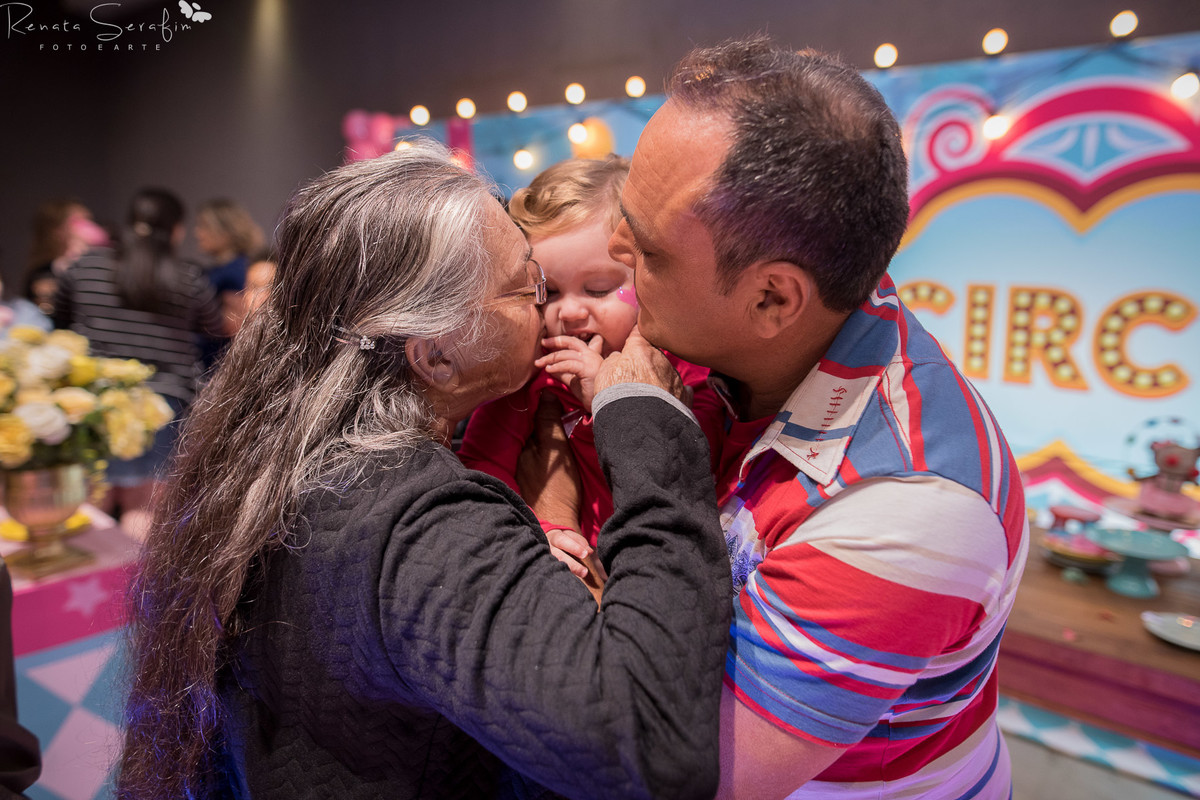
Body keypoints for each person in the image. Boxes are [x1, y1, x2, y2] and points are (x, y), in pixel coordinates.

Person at [117, 144, 731, 800]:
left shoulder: (302, 460)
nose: (551, 310)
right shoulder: (421, 525)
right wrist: (643, 415)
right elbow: (654, 749)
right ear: (436, 354)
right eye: (529, 288)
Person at [599, 37, 1029, 798]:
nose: (613, 247)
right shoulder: (758, 340)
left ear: (773, 299)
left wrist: (635, 426)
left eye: (652, 251)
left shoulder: (911, 513)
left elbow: (692, 773)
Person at [458, 156, 709, 594]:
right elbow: (482, 470)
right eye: (547, 291)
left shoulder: (678, 365)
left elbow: (706, 462)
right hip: (578, 580)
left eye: (598, 289)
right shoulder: (527, 382)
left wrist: (615, 401)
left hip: (669, 572)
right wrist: (544, 528)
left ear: (648, 277)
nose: (570, 311)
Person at [54, 188, 223, 539]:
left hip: (93, 401)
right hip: (163, 405)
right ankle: (126, 594)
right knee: (144, 511)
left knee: (89, 504)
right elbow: (213, 326)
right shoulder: (187, 277)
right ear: (175, 229)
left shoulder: (86, 266)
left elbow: (59, 321)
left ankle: (85, 591)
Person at [193, 197, 265, 367]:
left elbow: (233, 324)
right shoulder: (224, 269)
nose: (198, 233)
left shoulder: (234, 272)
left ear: (225, 231)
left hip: (218, 362)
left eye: (204, 226)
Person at [23, 199, 109, 317]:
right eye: (80, 222)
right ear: (57, 231)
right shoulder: (42, 274)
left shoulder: (101, 267)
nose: (90, 227)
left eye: (90, 220)